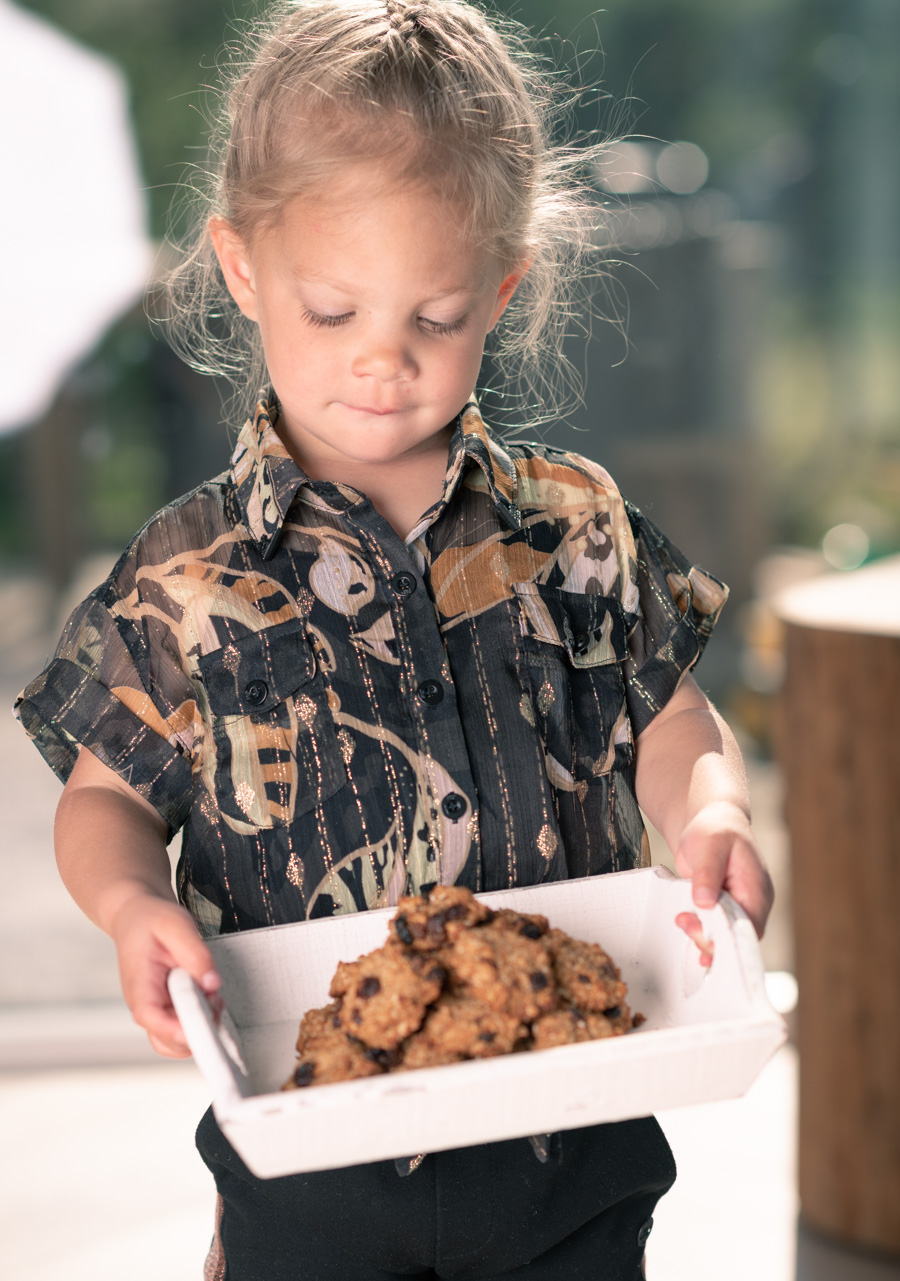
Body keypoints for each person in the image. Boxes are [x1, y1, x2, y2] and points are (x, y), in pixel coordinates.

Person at [15, 1, 773, 1277]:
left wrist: (715, 814)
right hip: (313, 1153)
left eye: (433, 316)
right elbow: (104, 802)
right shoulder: (184, 579)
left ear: (504, 287)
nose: (383, 364)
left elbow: (677, 719)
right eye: (331, 312)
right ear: (245, 268)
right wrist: (130, 902)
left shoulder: (573, 526)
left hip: (570, 1138)